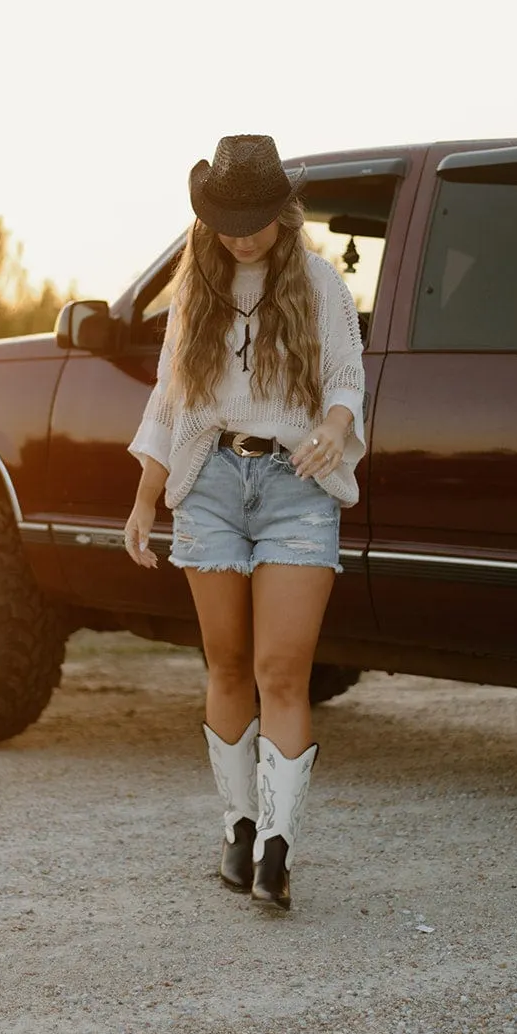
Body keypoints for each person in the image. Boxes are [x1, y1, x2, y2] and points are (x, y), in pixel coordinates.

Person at [124, 134, 366, 913]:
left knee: (282, 674)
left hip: (298, 486)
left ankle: (277, 849)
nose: (240, 234)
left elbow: (346, 382)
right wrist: (142, 496)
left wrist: (333, 429)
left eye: (254, 219)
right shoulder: (198, 289)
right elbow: (170, 398)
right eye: (225, 220)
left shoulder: (321, 285)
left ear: (281, 212)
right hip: (212, 486)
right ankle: (236, 828)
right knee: (226, 667)